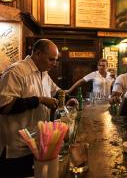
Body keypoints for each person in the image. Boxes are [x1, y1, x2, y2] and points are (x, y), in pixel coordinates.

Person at [0, 39, 76, 177]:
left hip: (36, 146)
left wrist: (66, 99)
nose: (54, 64)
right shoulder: (16, 72)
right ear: (38, 54)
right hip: (16, 149)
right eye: (51, 59)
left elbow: (57, 91)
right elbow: (4, 106)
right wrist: (39, 100)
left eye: (55, 60)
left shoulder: (43, 73)